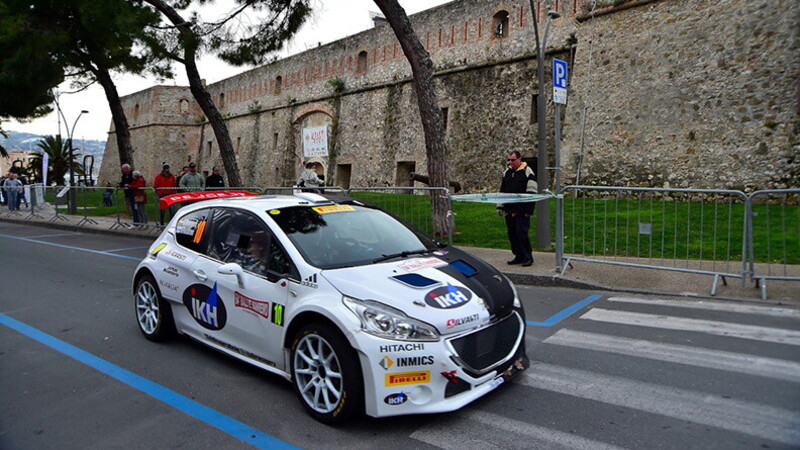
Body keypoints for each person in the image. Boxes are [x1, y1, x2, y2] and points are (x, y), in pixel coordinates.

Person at [498, 150, 537, 267]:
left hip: (522, 210)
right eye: (508, 160)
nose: (510, 162)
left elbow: (532, 192)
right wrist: (500, 206)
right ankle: (518, 255)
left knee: (521, 233)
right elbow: (502, 191)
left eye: (512, 160)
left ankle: (527, 257)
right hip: (509, 209)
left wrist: (529, 211)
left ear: (519, 159)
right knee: (512, 234)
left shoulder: (527, 172)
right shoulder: (507, 173)